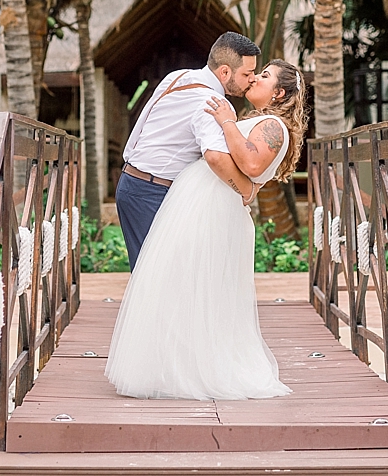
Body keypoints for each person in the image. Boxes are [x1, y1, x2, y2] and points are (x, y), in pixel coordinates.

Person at [105, 59, 308, 400]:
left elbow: (252, 162)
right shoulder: (258, 120)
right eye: (256, 73)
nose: (256, 79)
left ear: (279, 93)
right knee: (184, 285)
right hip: (201, 205)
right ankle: (175, 366)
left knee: (185, 284)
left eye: (265, 76)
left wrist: (228, 124)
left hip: (211, 209)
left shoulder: (273, 125)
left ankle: (190, 370)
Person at [115, 32, 261, 270]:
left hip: (134, 184)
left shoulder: (179, 76)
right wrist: (247, 190)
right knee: (159, 279)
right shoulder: (212, 103)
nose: (252, 80)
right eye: (247, 74)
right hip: (152, 193)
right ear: (225, 72)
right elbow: (215, 157)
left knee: (154, 277)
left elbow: (142, 122)